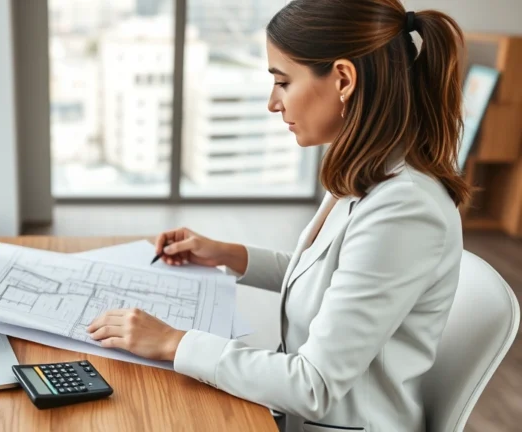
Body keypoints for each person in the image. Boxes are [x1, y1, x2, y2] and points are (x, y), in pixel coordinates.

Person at [87, 0, 471, 430]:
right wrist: (224, 254)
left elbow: (314, 384)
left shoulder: (404, 210)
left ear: (343, 79)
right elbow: (329, 278)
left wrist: (173, 342)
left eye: (283, 82)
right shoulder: (368, 173)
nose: (273, 103)